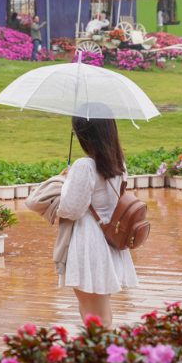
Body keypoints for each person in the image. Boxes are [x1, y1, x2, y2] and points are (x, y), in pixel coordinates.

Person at [56, 115, 137, 327]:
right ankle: (100, 354)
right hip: (108, 239)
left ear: (84, 134)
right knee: (94, 309)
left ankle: (105, 356)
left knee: (96, 315)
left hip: (89, 241)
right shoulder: (118, 163)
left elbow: (71, 209)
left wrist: (64, 184)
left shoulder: (85, 165)